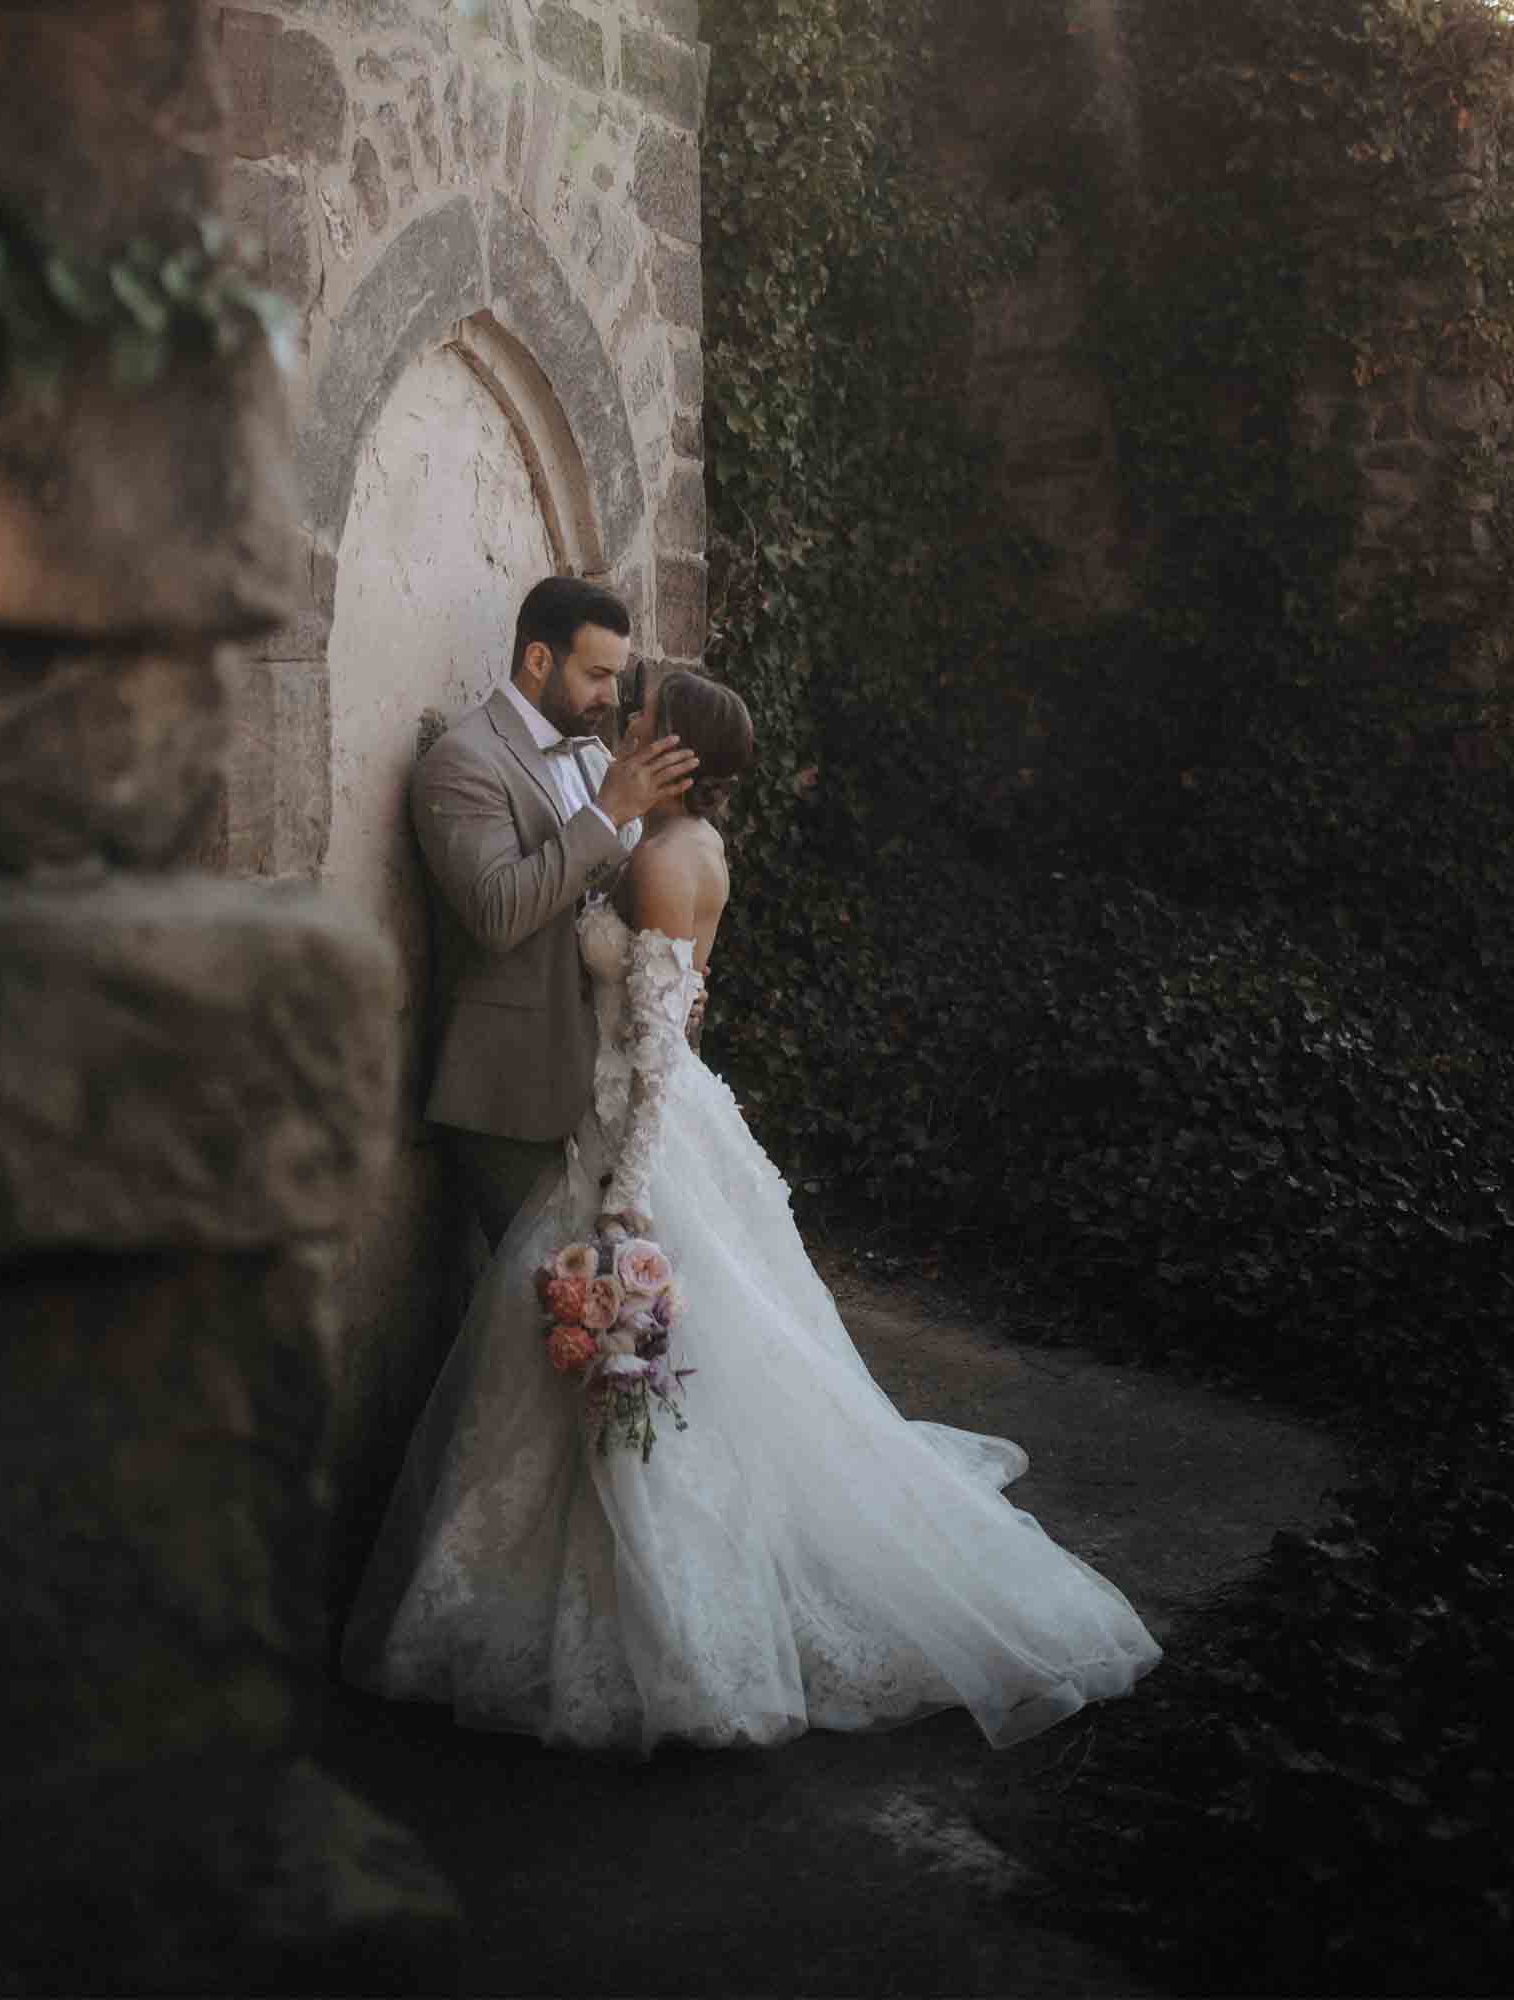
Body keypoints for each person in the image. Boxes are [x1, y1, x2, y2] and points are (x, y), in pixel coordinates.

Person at [348, 669, 1163, 1754]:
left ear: (677, 749)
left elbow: (647, 1051)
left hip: (633, 1133)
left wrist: (626, 1199)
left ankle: (678, 1619)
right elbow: (678, 1001)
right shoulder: (694, 848)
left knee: (656, 1359)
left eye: (640, 718)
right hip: (647, 1111)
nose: (621, 724)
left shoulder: (654, 858)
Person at [408, 574, 698, 1251]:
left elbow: (615, 901)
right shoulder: (463, 762)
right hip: (512, 1090)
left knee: (605, 1301)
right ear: (538, 660)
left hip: (600, 1079)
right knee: (544, 1301)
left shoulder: (594, 753)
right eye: (597, 675)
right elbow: (497, 911)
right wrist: (606, 814)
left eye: (618, 678)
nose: (611, 698)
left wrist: (665, 981)